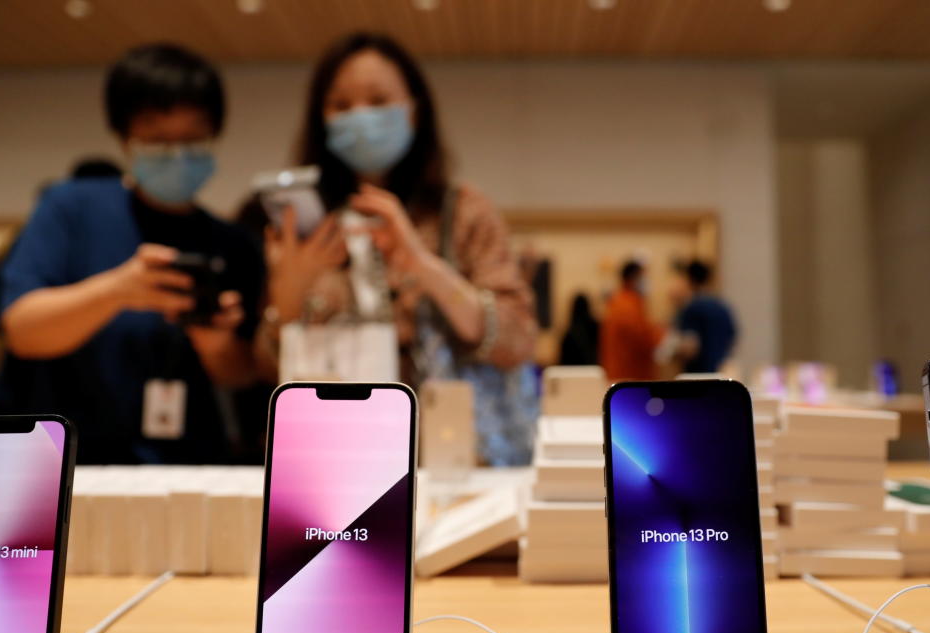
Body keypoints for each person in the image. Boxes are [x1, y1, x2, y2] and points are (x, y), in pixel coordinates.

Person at [258, 32, 536, 463]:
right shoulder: (310, 224)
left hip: (455, 463)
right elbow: (268, 368)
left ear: (414, 109)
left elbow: (518, 341)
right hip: (339, 462)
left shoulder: (462, 211)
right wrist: (287, 298)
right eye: (341, 106)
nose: (361, 116)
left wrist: (427, 269)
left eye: (379, 100)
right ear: (321, 119)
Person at [0, 43, 263, 464]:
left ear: (215, 136)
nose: (177, 153)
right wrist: (116, 291)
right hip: (60, 464)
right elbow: (22, 329)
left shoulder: (233, 242)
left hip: (188, 466)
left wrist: (215, 343)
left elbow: (242, 372)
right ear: (124, 138)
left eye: (192, 137)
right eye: (156, 139)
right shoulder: (71, 208)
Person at [669, 259, 737, 373]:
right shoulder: (722, 307)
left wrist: (673, 353)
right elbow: (732, 338)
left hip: (698, 378)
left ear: (689, 280)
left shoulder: (692, 308)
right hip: (720, 374)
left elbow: (690, 348)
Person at [599, 260, 664, 381]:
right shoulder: (628, 305)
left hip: (619, 374)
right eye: (643, 277)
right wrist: (662, 334)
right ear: (633, 278)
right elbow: (643, 338)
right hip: (629, 376)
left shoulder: (618, 301)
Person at [558, 292, 599, 366]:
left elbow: (563, 362)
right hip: (593, 373)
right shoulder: (596, 329)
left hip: (572, 374)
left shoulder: (569, 334)